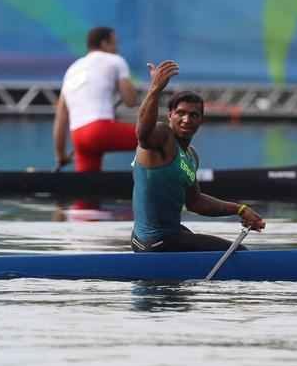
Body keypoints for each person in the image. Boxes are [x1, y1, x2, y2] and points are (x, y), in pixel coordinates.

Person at [130, 60, 264, 252]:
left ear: (201, 120)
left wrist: (240, 209)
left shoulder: (191, 156)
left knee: (185, 235)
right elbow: (142, 134)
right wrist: (155, 90)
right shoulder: (161, 137)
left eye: (193, 115)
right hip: (154, 242)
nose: (186, 119)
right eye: (180, 113)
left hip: (167, 237)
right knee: (240, 252)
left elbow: (195, 202)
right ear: (170, 116)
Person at [53, 26, 139, 172]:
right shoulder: (115, 60)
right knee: (161, 138)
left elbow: (61, 118)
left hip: (78, 137)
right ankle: (154, 183)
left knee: (87, 189)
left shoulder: (72, 70)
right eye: (115, 44)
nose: (117, 49)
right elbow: (130, 101)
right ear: (104, 44)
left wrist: (60, 155)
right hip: (100, 130)